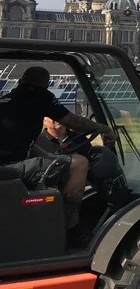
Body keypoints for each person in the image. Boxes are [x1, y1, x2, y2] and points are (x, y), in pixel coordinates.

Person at [0, 66, 117, 234]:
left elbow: (23, 143)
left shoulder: (8, 99)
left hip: (8, 167)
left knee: (62, 164)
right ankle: (71, 229)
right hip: (11, 168)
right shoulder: (39, 96)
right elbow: (74, 122)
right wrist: (103, 128)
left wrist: (50, 157)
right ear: (46, 85)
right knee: (79, 163)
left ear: (20, 81)